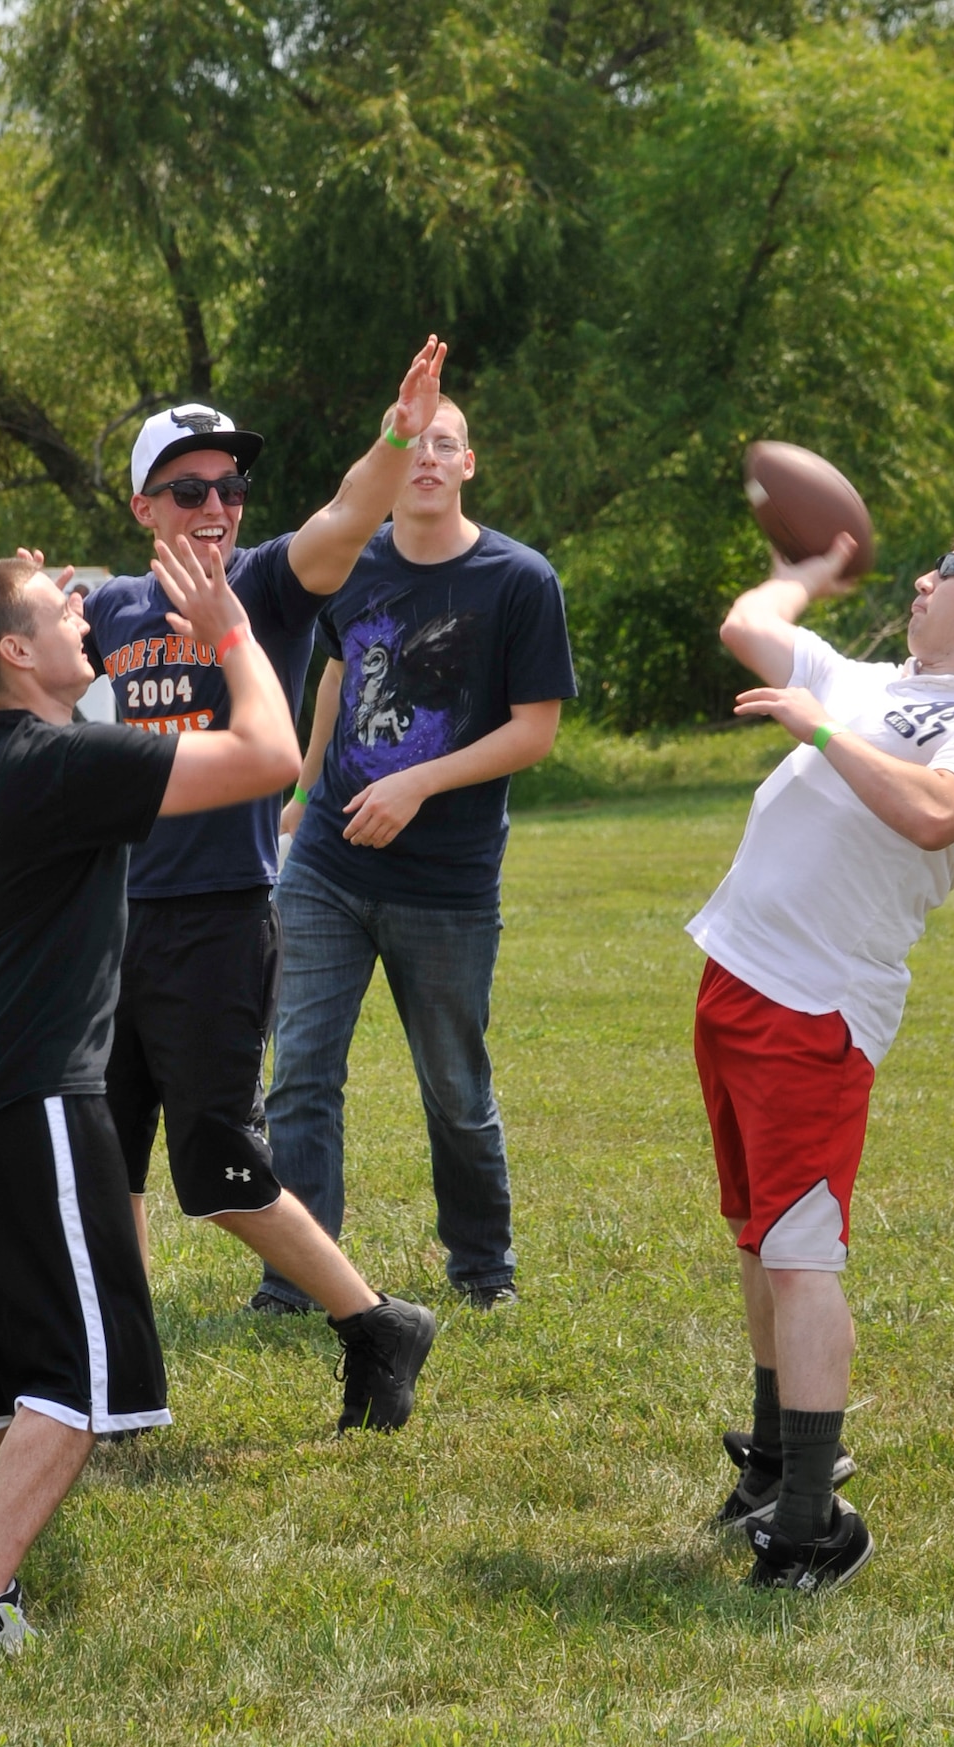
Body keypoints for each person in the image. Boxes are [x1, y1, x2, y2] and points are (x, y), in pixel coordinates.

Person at [0, 341, 447, 1431]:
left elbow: (346, 514)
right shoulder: (108, 612)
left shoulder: (269, 590)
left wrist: (392, 437)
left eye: (230, 485)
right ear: (144, 504)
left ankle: (374, 1320)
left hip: (219, 922)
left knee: (218, 1162)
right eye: (189, 487)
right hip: (110, 927)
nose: (216, 504)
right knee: (108, 1162)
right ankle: (113, 1386)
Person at [0, 539, 308, 1648]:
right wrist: (228, 627)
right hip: (35, 1086)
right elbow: (272, 755)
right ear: (20, 653)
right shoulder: (62, 763)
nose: (85, 614)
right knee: (82, 1373)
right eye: (59, 609)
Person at [698, 521, 954, 1591]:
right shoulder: (879, 680)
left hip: (814, 1005)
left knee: (799, 1249)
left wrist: (819, 731)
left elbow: (930, 813)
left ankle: (816, 1522)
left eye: (949, 569)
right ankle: (774, 1463)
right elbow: (745, 626)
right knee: (759, 1234)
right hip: (737, 973)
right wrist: (806, 574)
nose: (922, 579)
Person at [257, 398, 576, 1313]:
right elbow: (334, 672)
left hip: (447, 881)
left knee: (454, 1088)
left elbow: (534, 730)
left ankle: (484, 1269)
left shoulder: (518, 580)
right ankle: (296, 1279)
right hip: (326, 864)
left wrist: (418, 784)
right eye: (416, 444)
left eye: (447, 445)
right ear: (391, 464)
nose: (429, 458)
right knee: (302, 1076)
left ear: (469, 465)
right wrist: (306, 790)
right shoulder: (349, 566)